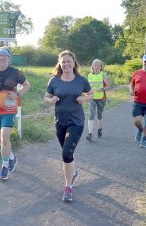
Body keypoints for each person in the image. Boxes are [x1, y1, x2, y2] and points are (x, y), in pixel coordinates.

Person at [44, 50, 93, 202]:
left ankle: (68, 187)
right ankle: (73, 173)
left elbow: (91, 94)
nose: (66, 64)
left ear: (74, 63)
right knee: (67, 156)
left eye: (68, 61)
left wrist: (84, 99)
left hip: (76, 122)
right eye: (63, 61)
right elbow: (46, 96)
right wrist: (50, 100)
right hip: (60, 122)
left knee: (66, 155)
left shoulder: (81, 80)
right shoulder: (54, 81)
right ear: (60, 64)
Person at [0, 47, 30, 180]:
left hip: (8, 110)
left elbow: (27, 85)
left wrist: (17, 94)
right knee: (0, 139)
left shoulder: (15, 72)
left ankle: (4, 167)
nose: (1, 57)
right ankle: (12, 158)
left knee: (5, 138)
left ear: (8, 58)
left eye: (4, 55)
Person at [86, 59, 111, 140]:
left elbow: (108, 86)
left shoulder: (103, 75)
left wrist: (102, 89)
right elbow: (88, 87)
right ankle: (90, 133)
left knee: (99, 115)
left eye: (98, 65)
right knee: (91, 114)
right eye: (95, 65)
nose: (96, 67)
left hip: (101, 98)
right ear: (92, 66)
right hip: (92, 97)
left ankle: (100, 128)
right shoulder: (89, 75)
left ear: (101, 67)